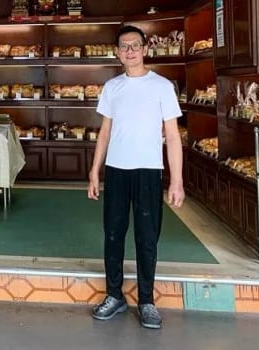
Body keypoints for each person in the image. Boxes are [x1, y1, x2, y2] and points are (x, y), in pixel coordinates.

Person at [87, 24, 184, 330]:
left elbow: (173, 135)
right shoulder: (112, 87)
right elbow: (104, 133)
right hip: (116, 171)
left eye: (135, 46)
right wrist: (94, 171)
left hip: (148, 172)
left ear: (145, 50)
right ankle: (114, 296)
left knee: (147, 238)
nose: (129, 51)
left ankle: (146, 301)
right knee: (113, 235)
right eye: (124, 47)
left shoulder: (162, 87)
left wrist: (176, 180)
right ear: (117, 53)